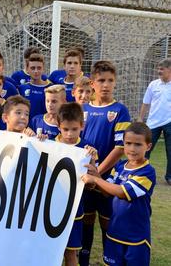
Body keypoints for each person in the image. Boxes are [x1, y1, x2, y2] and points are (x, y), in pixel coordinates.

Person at [79, 60, 131, 266]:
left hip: (106, 178)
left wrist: (97, 174)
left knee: (107, 221)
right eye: (101, 80)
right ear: (92, 83)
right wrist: (88, 176)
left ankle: (111, 261)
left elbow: (119, 148)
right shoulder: (83, 109)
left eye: (110, 80)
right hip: (84, 178)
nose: (106, 85)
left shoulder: (120, 110)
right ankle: (83, 260)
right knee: (86, 220)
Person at [82, 122, 155, 266]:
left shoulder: (147, 171)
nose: (132, 149)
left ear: (148, 146)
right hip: (114, 231)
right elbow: (107, 191)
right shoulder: (120, 166)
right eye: (128, 143)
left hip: (136, 236)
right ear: (123, 144)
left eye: (138, 144)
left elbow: (122, 192)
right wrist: (93, 174)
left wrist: (96, 179)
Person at [55, 103, 97, 266]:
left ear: (82, 126)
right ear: (59, 126)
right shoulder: (50, 145)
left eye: (74, 129)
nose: (70, 134)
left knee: (70, 254)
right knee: (51, 251)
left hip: (74, 210)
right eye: (65, 129)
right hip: (51, 210)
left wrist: (92, 163)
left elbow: (91, 186)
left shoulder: (87, 150)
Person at [138, 58, 171, 185]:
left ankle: (169, 177)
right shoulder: (153, 84)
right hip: (153, 123)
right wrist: (141, 118)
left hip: (169, 122)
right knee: (145, 149)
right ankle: (140, 172)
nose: (159, 71)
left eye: (162, 69)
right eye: (158, 68)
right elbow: (146, 103)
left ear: (170, 70)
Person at [18, 53, 52, 120]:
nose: (36, 71)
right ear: (27, 69)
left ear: (43, 69)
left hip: (43, 127)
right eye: (33, 68)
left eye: (39, 68)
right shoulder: (22, 88)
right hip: (26, 128)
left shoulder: (51, 88)